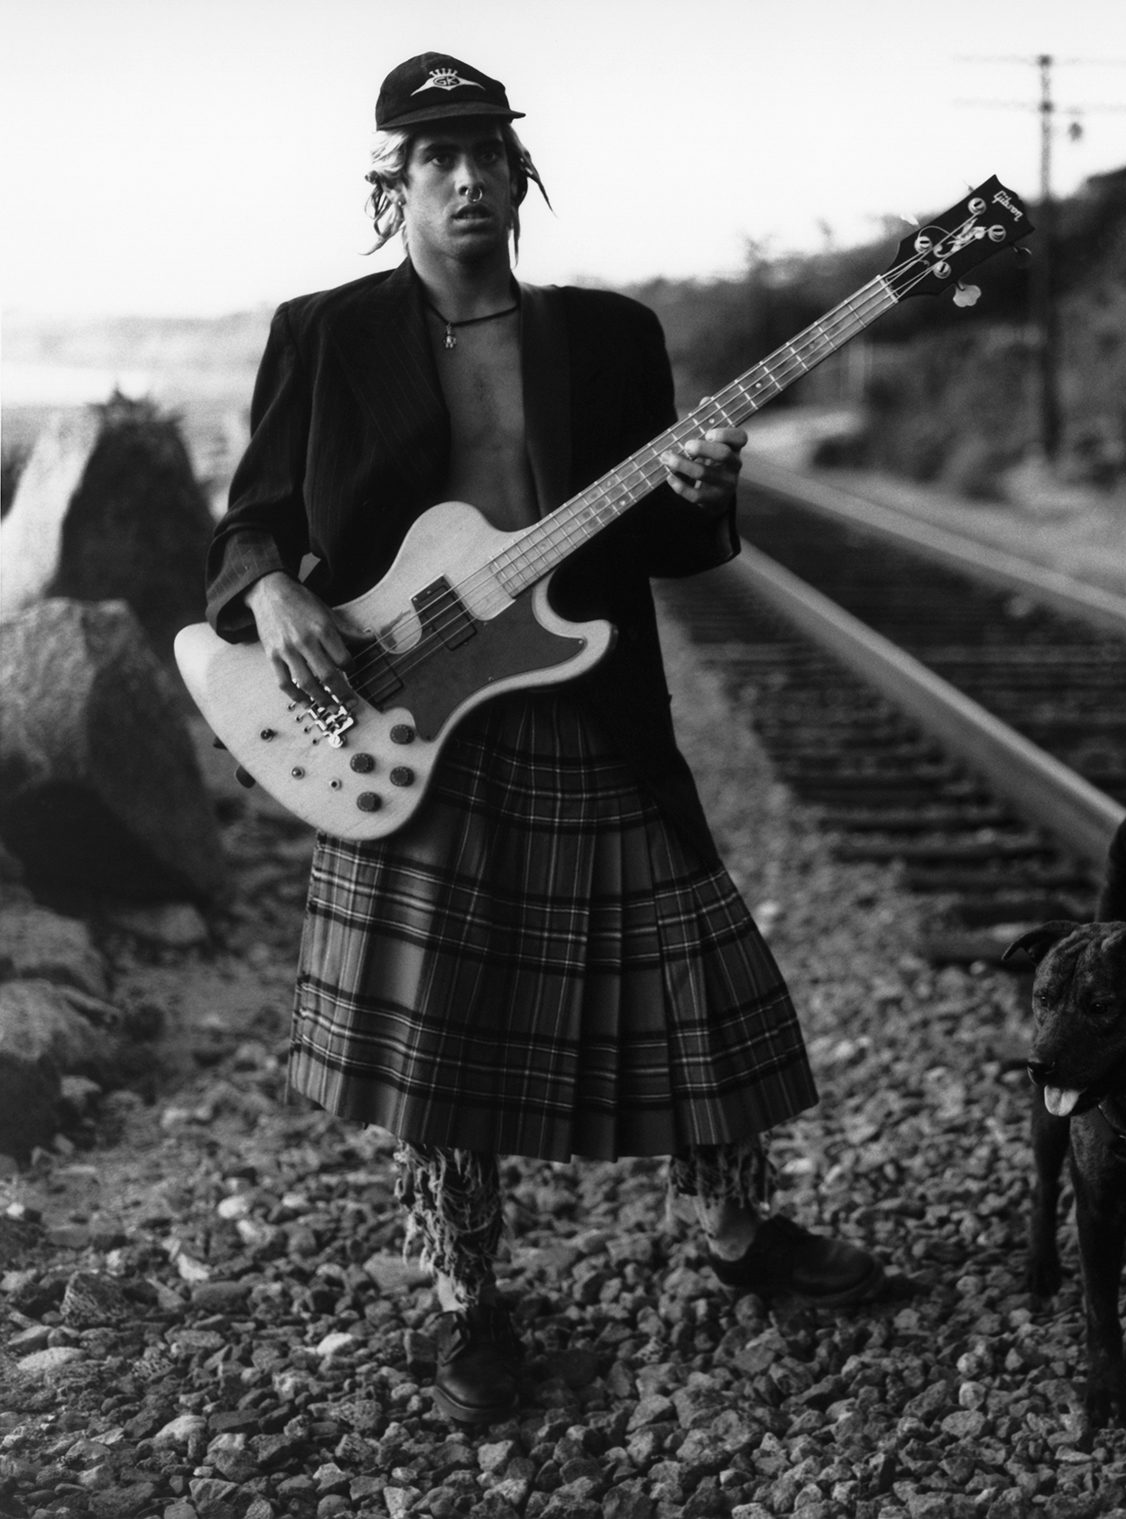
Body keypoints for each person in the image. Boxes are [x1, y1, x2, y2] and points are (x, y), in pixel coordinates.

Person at [203, 52, 882, 1426]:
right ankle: (469, 1303)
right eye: (437, 158)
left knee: (709, 983)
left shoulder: (612, 336)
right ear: (390, 184)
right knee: (436, 1039)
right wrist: (268, 587)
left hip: (586, 700)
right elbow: (254, 520)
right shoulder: (323, 332)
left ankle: (741, 1233)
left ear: (523, 178)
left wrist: (709, 488)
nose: (467, 178)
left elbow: (671, 542)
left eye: (489, 155)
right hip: (409, 712)